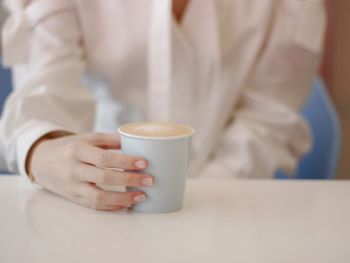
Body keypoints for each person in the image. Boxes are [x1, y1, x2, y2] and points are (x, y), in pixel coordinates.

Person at [0, 0, 326, 210]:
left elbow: (268, 118)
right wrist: (41, 148)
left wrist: (202, 197)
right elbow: (42, 95)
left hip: (226, 208)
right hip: (93, 205)